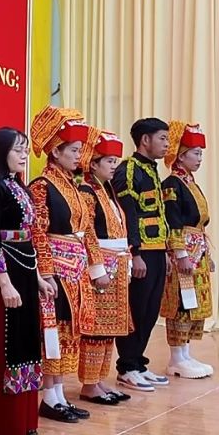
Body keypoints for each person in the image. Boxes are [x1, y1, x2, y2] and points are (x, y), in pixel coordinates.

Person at [0, 127, 44, 435]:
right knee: (5, 342)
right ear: (1, 151)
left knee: (27, 341)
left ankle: (26, 417)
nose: (23, 155)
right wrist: (3, 283)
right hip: (5, 273)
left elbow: (29, 237)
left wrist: (38, 278)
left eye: (25, 150)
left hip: (25, 269)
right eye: (17, 149)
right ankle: (4, 422)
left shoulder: (19, 187)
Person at [27, 107, 93, 423]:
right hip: (55, 269)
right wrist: (46, 271)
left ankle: (60, 394)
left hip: (75, 270)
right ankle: (49, 397)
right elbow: (37, 231)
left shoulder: (72, 185)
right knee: (53, 331)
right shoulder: (42, 185)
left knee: (69, 331)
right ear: (56, 151)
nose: (79, 156)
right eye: (74, 150)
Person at [112, 118, 188, 392]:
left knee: (151, 311)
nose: (167, 144)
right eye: (162, 138)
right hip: (140, 252)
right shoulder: (128, 170)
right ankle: (127, 367)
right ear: (145, 140)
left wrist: (165, 250)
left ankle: (138, 363)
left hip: (156, 252)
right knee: (136, 309)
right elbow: (127, 214)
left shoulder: (152, 170)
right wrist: (135, 252)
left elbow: (160, 214)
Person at [77, 127, 134, 405]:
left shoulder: (107, 190)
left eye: (115, 161)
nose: (114, 166)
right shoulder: (87, 191)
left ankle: (100, 380)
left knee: (110, 328)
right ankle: (89, 384)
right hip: (102, 264)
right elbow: (87, 231)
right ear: (93, 163)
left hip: (117, 263)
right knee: (97, 327)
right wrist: (96, 267)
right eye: (109, 161)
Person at [161, 121, 216, 379]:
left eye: (201, 154)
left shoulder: (190, 182)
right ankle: (176, 358)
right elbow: (172, 220)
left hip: (197, 248)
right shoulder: (172, 184)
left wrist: (207, 255)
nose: (200, 158)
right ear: (181, 155)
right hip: (183, 251)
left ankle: (185, 354)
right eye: (195, 153)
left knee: (194, 303)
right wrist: (180, 253)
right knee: (181, 303)